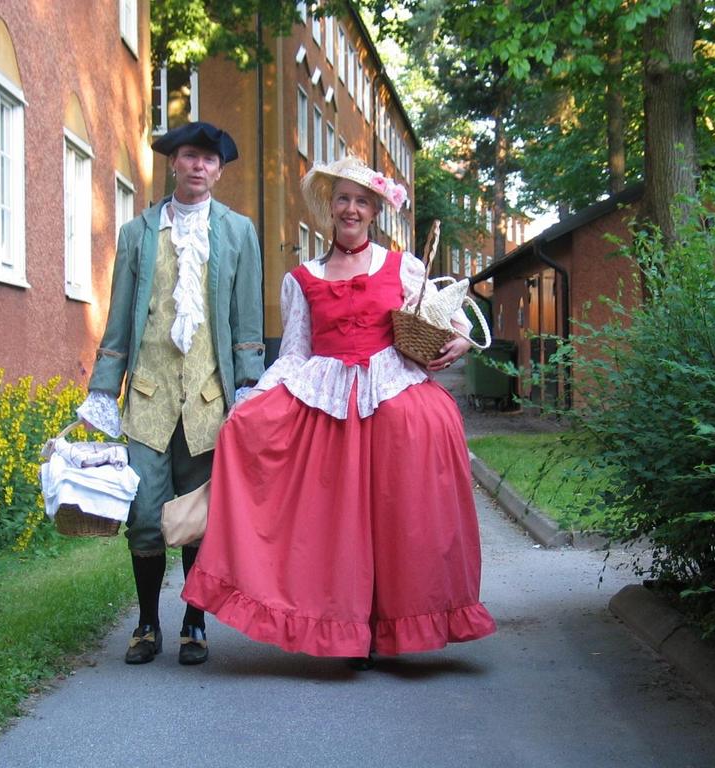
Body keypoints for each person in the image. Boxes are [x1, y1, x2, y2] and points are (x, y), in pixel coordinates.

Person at [182, 156, 496, 666]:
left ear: (374, 212)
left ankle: (401, 627)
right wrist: (253, 403)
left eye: (362, 201)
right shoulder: (303, 278)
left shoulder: (403, 268)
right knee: (336, 527)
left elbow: (453, 322)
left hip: (395, 399)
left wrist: (460, 343)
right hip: (331, 408)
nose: (351, 210)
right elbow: (295, 354)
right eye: (344, 199)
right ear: (331, 207)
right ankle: (343, 627)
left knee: (402, 520)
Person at [78, 122, 265, 666]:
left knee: (197, 519)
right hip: (148, 401)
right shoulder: (139, 233)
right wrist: (102, 391)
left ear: (219, 169)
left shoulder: (238, 232)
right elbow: (117, 321)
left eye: (209, 159)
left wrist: (248, 386)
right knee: (144, 514)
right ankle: (144, 624)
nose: (199, 167)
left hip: (208, 401)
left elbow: (246, 319)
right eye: (189, 156)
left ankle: (193, 623)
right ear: (174, 163)